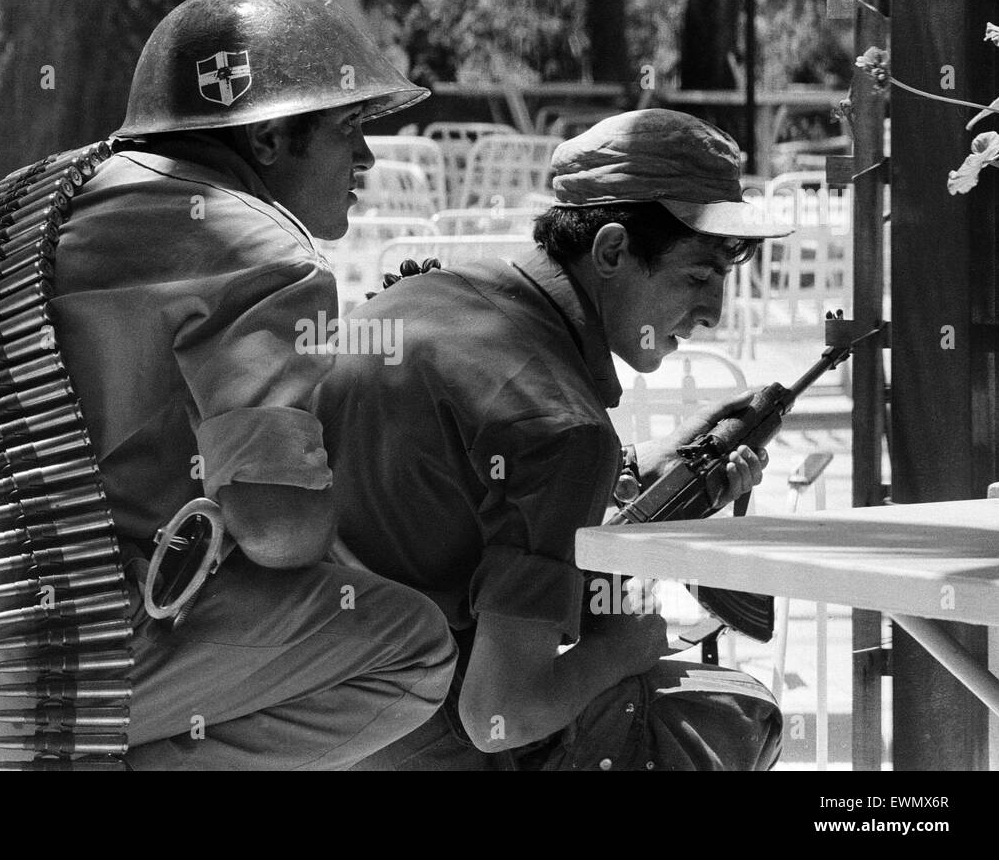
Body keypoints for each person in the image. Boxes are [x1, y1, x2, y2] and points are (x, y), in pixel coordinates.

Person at [0, 0, 456, 770]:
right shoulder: (262, 245)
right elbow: (278, 529)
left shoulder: (24, 199)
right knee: (411, 646)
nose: (368, 156)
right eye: (350, 128)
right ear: (269, 140)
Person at [315, 109, 789, 770]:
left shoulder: (412, 302)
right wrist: (622, 647)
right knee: (732, 713)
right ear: (613, 251)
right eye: (698, 277)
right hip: (424, 740)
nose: (715, 313)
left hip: (307, 719)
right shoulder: (564, 430)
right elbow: (499, 713)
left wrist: (649, 466)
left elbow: (455, 494)